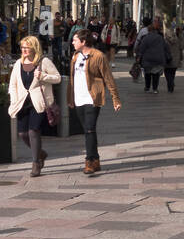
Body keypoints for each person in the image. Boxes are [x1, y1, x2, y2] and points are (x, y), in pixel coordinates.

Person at [7, 35, 62, 177]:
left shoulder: (44, 62)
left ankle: (35, 162)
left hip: (39, 103)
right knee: (22, 134)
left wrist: (43, 76)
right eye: (22, 47)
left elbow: (58, 78)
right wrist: (14, 100)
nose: (24, 50)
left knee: (33, 131)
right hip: (22, 103)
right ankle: (41, 153)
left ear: (34, 48)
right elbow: (13, 84)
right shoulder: (18, 63)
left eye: (27, 47)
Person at [68, 29, 121, 175]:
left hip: (92, 98)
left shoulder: (98, 56)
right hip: (78, 98)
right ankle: (96, 159)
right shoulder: (75, 56)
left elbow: (108, 77)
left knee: (90, 129)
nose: (72, 42)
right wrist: (70, 98)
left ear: (83, 42)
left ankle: (89, 161)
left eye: (75, 40)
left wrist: (115, 98)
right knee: (87, 130)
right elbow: (72, 80)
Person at [137, 19, 172, 93]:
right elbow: (166, 47)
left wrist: (139, 57)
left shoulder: (145, 38)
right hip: (158, 58)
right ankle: (155, 89)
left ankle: (147, 87)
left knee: (147, 74)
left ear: (148, 30)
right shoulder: (160, 38)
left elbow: (141, 48)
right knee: (156, 74)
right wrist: (168, 56)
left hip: (147, 59)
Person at [163, 21, 184, 93]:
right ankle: (171, 84)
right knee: (172, 72)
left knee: (167, 71)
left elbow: (163, 46)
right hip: (176, 56)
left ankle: (170, 84)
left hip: (167, 57)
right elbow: (181, 46)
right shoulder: (179, 35)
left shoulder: (166, 35)